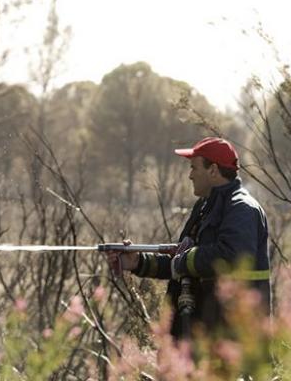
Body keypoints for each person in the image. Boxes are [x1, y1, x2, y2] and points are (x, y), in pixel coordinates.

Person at [107, 137, 271, 339]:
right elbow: (185, 264)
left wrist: (182, 260)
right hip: (196, 335)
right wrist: (139, 262)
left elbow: (230, 257)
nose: (190, 176)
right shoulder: (204, 207)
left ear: (213, 170)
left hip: (230, 340)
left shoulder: (242, 209)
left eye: (194, 168)